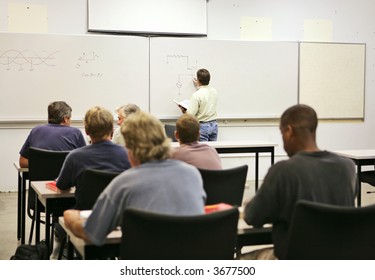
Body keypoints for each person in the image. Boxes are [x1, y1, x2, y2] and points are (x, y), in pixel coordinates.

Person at [63, 111, 206, 246]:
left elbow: (91, 234)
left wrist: (69, 217)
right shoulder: (193, 175)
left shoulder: (124, 183)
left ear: (131, 149)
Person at [242, 104, 356, 260]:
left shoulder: (283, 171)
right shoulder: (347, 168)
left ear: (289, 131)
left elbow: (253, 216)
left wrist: (249, 204)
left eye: (282, 133)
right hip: (339, 263)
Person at [56, 106, 131, 204]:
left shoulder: (75, 157)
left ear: (86, 131)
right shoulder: (128, 156)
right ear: (112, 129)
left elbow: (62, 186)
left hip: (85, 216)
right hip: (117, 215)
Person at [19, 101, 86, 168]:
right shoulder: (76, 133)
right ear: (65, 119)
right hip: (66, 178)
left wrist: (43, 166)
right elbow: (85, 161)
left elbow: (22, 162)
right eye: (70, 118)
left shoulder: (36, 131)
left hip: (40, 177)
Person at [179, 68, 218, 141]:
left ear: (198, 80)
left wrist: (183, 110)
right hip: (214, 125)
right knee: (212, 150)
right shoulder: (214, 91)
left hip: (203, 127)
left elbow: (190, 115)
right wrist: (198, 85)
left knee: (202, 151)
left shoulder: (197, 95)